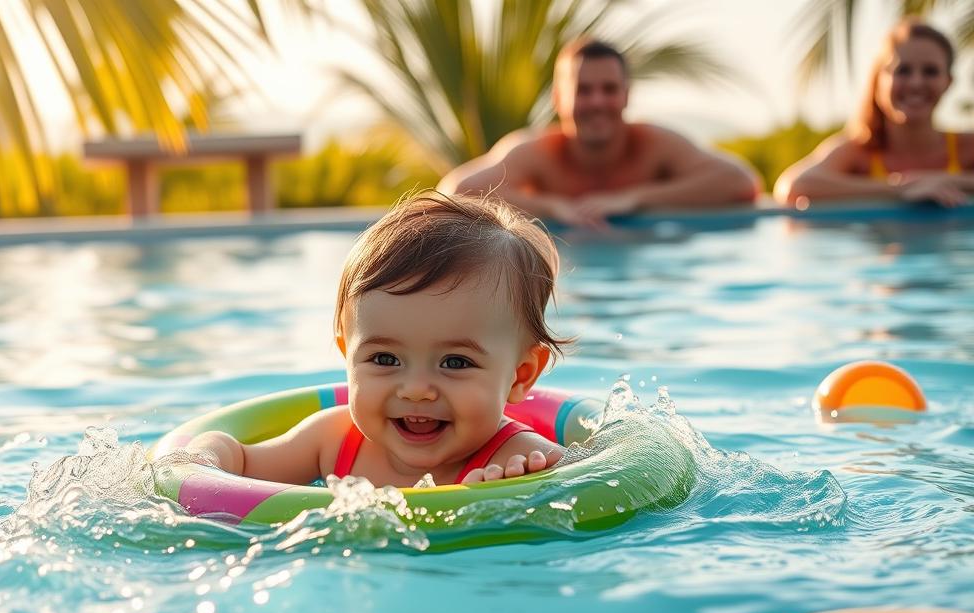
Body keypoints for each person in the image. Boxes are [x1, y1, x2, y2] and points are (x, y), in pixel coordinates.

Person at [188, 193, 569, 488]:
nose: (417, 390)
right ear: (347, 356)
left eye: (455, 362)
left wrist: (518, 497)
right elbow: (238, 462)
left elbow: (593, 488)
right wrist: (204, 454)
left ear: (520, 376)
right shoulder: (331, 442)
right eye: (385, 359)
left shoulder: (522, 460)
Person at [437, 39, 760, 229]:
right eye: (584, 90)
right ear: (560, 98)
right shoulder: (537, 151)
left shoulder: (654, 144)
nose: (597, 102)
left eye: (609, 89)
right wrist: (553, 206)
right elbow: (456, 191)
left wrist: (634, 198)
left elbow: (741, 183)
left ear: (627, 95)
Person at [775, 19, 973, 207]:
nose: (916, 83)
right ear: (878, 80)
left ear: (948, 82)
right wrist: (901, 187)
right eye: (902, 71)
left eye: (930, 71)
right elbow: (793, 187)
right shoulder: (859, 150)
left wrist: (940, 180)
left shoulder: (966, 147)